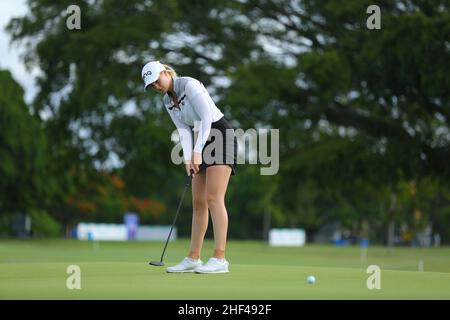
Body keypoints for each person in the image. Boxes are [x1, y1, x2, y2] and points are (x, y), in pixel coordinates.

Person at [141, 61, 237, 273]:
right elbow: (183, 130)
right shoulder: (167, 101)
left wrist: (197, 151)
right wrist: (188, 157)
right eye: (152, 85)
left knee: (213, 198)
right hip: (200, 140)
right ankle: (193, 258)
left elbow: (205, 119)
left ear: (166, 72)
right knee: (198, 202)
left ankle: (220, 259)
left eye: (157, 80)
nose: (156, 86)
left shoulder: (190, 85)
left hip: (220, 135)